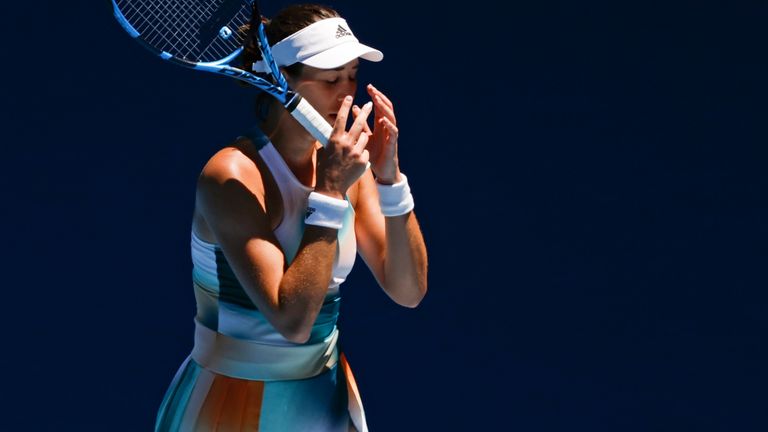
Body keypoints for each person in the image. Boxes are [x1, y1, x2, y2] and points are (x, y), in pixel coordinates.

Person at [154, 4, 428, 431]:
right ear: (283, 84)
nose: (348, 94)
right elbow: (292, 322)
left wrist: (390, 179)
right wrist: (331, 191)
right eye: (331, 80)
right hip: (228, 404)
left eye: (353, 75)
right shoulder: (230, 177)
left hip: (323, 400)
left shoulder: (346, 168)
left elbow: (408, 290)